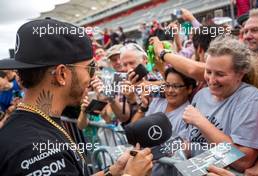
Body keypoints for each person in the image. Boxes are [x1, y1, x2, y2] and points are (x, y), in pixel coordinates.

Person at [0, 18, 153, 176]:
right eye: (90, 69)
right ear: (61, 74)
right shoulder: (34, 150)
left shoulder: (33, 125)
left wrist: (113, 172)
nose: (92, 78)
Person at [182, 36, 258, 173]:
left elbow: (242, 161)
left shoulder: (251, 100)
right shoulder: (202, 94)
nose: (211, 80)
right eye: (208, 72)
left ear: (240, 74)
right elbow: (192, 143)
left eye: (220, 74)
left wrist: (201, 122)